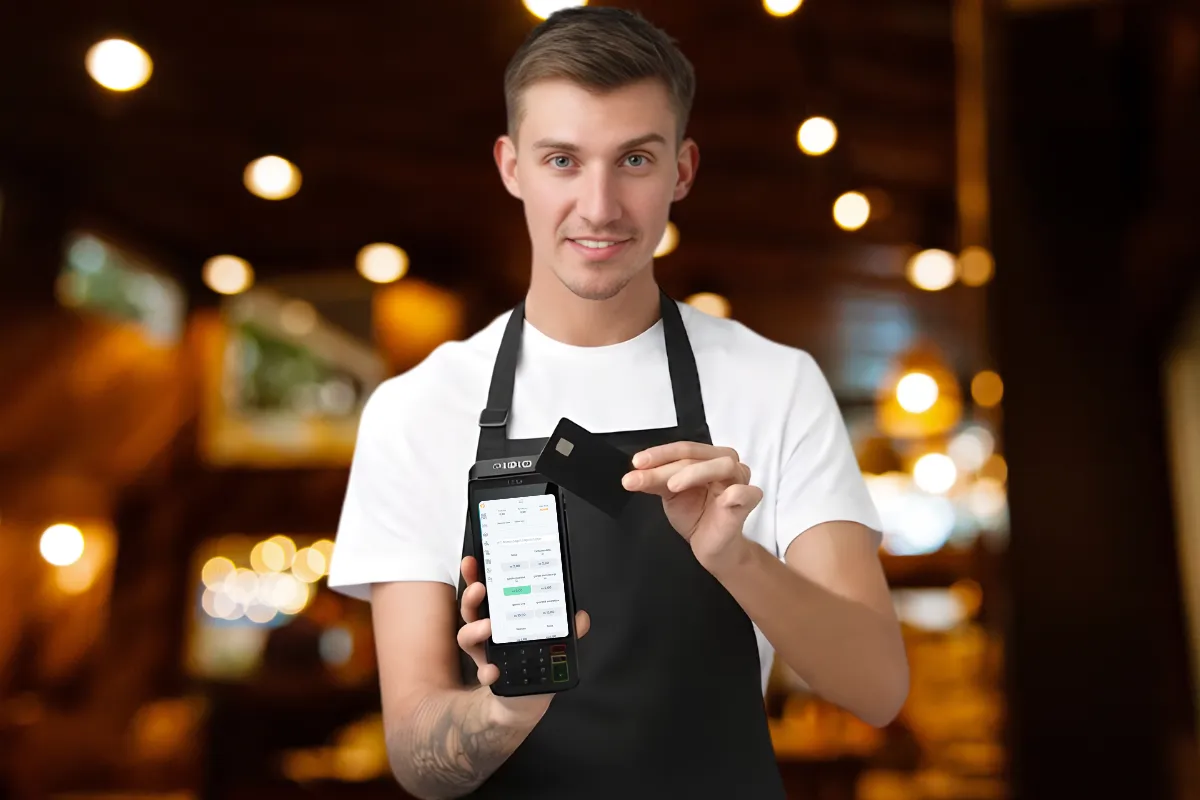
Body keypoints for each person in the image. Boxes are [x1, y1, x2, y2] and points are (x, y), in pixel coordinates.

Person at [327, 6, 908, 798]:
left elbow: (876, 687)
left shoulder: (776, 383)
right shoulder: (417, 409)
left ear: (683, 170)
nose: (599, 206)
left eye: (634, 159)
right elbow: (416, 755)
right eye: (562, 159)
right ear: (511, 167)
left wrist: (736, 558)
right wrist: (507, 709)